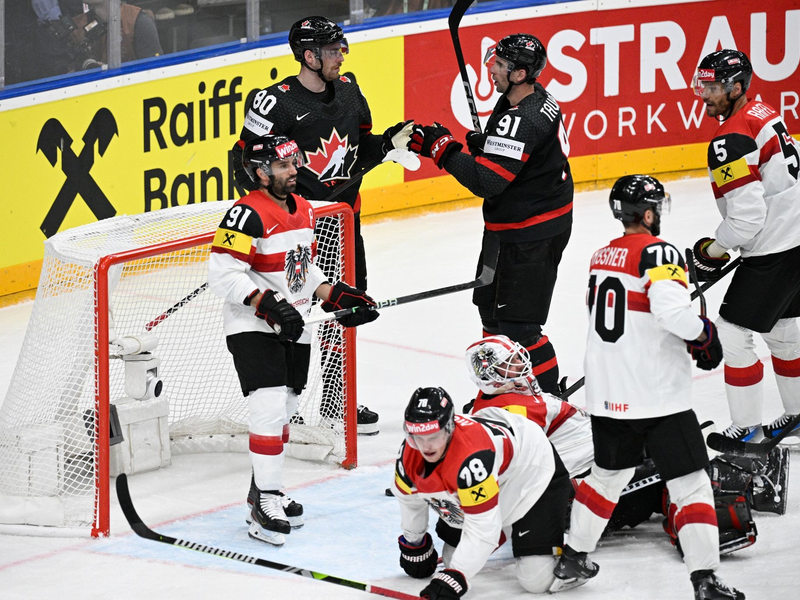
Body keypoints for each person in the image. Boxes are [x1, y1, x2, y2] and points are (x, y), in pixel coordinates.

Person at [551, 175, 743, 600]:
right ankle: (706, 580)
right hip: (657, 397)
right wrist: (703, 335)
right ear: (651, 213)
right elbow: (671, 312)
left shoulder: (602, 255)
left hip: (606, 394)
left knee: (605, 479)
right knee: (691, 484)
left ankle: (573, 558)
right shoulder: (661, 251)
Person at [234, 15, 409, 434]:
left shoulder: (350, 93)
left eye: (341, 48)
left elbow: (359, 149)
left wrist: (387, 144)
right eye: (332, 51)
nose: (341, 56)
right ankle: (287, 400)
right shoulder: (273, 103)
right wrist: (269, 217)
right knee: (291, 313)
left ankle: (336, 401)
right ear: (308, 56)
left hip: (346, 223)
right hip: (298, 230)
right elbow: (242, 164)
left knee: (344, 306)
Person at [208, 134, 378, 546]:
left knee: (283, 413)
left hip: (295, 324)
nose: (293, 170)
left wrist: (334, 293)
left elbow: (303, 271)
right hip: (253, 326)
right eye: (284, 166)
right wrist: (264, 302)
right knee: (267, 409)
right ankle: (265, 498)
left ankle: (263, 489)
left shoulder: (303, 209)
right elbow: (222, 273)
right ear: (261, 173)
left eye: (293, 162)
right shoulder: (243, 215)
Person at [462, 335, 779, 557]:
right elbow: (518, 471)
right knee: (664, 468)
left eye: (519, 359)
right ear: (490, 377)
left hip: (592, 465)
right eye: (511, 365)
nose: (522, 366)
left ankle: (714, 491)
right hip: (578, 493)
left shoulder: (506, 398)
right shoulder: (508, 413)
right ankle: (712, 513)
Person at [408, 33, 572, 395]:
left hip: (531, 235)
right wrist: (488, 146)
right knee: (491, 313)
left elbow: (488, 181)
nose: (491, 68)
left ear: (519, 73)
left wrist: (442, 149)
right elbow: (516, 158)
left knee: (520, 327)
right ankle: (501, 387)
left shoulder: (523, 117)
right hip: (509, 229)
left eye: (499, 64)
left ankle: (549, 402)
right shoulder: (530, 99)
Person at [690, 49, 800, 443]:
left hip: (775, 250)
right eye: (702, 85)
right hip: (794, 239)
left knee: (733, 335)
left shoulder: (730, 138)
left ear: (737, 88)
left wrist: (713, 250)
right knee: (785, 333)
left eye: (714, 87)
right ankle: (798, 416)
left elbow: (746, 219)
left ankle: (748, 431)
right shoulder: (763, 112)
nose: (704, 95)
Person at [393, 386, 573, 596]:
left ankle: (576, 550)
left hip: (531, 468)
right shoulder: (409, 452)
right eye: (418, 437)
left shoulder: (472, 459)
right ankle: (508, 528)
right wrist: (415, 544)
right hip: (500, 465)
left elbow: (483, 530)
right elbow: (410, 500)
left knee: (537, 579)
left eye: (433, 436)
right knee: (453, 558)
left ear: (449, 428)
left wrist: (454, 577)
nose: (425, 446)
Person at [463, 335, 593, 479]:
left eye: (517, 357)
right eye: (509, 362)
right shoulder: (514, 413)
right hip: (586, 455)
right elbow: (525, 469)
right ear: (490, 375)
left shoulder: (496, 390)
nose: (520, 363)